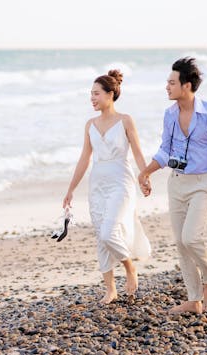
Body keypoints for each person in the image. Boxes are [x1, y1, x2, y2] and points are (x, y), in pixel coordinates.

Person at [139, 57, 207, 314]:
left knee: (191, 237)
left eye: (171, 82)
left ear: (186, 86)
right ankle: (193, 299)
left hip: (203, 184)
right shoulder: (170, 114)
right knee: (180, 242)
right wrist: (146, 172)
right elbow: (165, 150)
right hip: (176, 183)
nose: (167, 86)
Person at [64, 70, 151, 304]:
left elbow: (138, 152)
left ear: (110, 94)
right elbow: (84, 158)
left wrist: (144, 176)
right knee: (101, 237)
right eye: (90, 94)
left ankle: (129, 267)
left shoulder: (125, 120)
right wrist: (71, 189)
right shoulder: (90, 124)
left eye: (96, 94)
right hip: (97, 184)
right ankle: (110, 289)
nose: (92, 98)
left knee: (108, 231)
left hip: (121, 182)